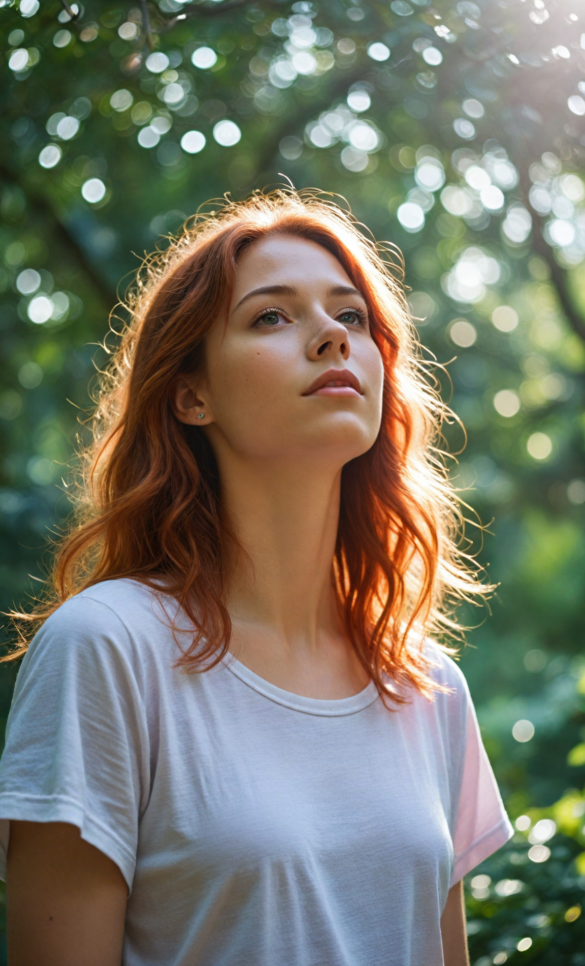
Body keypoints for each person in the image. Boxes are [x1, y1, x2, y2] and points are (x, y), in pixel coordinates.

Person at [0, 188, 513, 966]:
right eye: (272, 316)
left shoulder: (427, 685)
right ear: (191, 394)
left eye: (351, 316)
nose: (332, 337)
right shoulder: (106, 648)